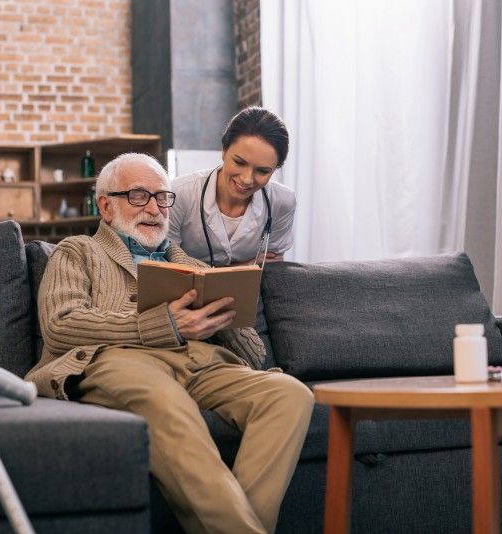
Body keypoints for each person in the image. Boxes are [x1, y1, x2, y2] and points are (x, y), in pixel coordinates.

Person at [25, 153, 313, 534]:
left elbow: (254, 357)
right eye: (139, 196)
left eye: (162, 198)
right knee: (162, 397)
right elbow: (61, 325)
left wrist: (222, 315)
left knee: (289, 394)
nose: (155, 208)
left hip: (202, 363)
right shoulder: (78, 251)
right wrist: (166, 324)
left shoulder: (194, 266)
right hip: (117, 361)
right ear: (106, 205)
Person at [169, 107, 296, 266]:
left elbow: (270, 268)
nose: (247, 179)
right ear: (224, 150)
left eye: (262, 171)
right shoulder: (178, 194)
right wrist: (243, 267)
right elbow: (166, 265)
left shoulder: (282, 202)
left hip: (249, 290)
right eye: (239, 163)